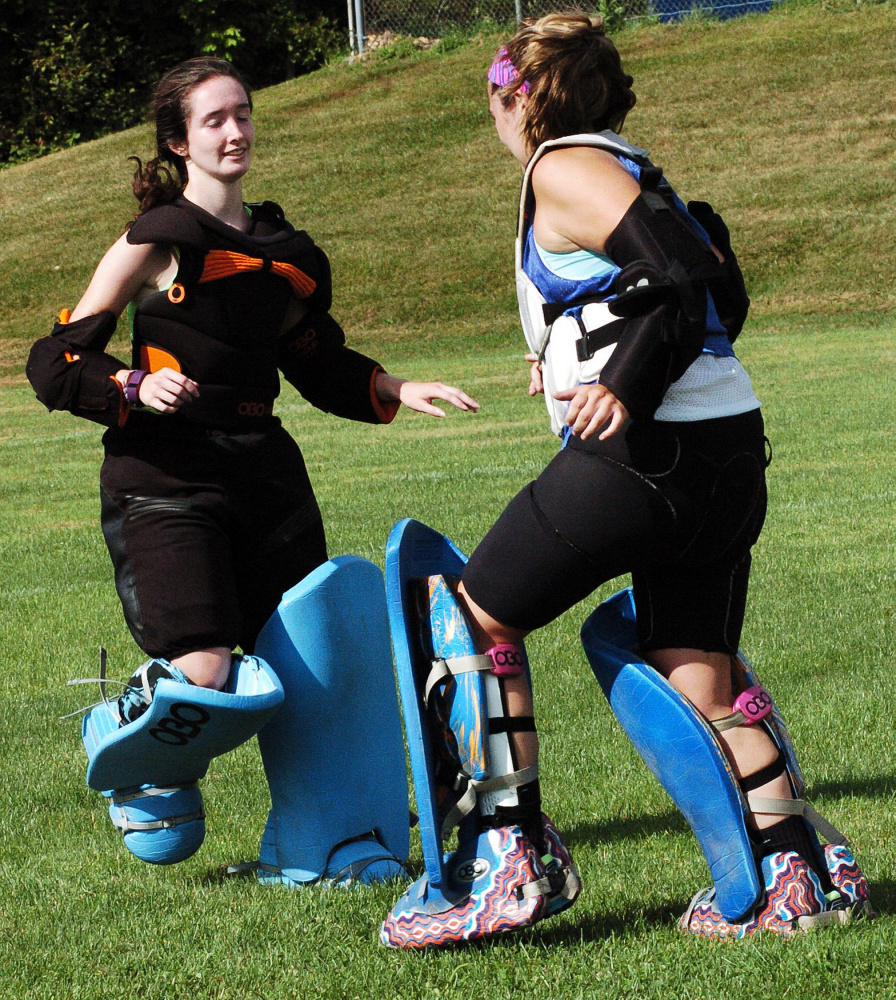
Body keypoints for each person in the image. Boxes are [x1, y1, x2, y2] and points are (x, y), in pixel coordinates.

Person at [381, 13, 871, 947]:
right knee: (702, 674)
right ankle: (792, 877)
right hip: (727, 455)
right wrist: (576, 348)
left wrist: (624, 381)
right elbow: (718, 289)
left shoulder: (561, 166)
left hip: (643, 459)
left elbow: (680, 272)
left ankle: (509, 861)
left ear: (514, 98)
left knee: (470, 617)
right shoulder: (629, 162)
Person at [27, 57, 478, 865]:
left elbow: (315, 361)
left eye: (243, 115)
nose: (235, 132)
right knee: (207, 667)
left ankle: (328, 840)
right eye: (213, 121)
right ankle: (135, 722)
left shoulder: (286, 250)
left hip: (265, 473)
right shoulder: (158, 240)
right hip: (165, 478)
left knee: (311, 666)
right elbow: (54, 363)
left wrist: (394, 386)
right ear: (178, 141)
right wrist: (130, 382)